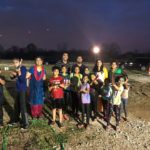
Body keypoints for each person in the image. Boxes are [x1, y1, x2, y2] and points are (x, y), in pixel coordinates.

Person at [10, 58, 29, 129]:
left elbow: (22, 80)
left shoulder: (23, 68)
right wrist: (12, 75)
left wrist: (19, 73)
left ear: (20, 62)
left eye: (16, 62)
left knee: (23, 106)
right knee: (16, 106)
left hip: (22, 90)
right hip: (17, 90)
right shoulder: (17, 69)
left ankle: (25, 123)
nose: (15, 64)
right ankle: (15, 120)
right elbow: (13, 78)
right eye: (14, 62)